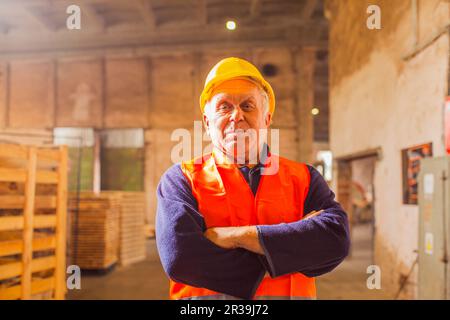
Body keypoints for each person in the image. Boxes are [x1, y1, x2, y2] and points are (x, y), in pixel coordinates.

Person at [156, 57, 350, 300]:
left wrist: (237, 237)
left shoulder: (304, 178)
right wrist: (291, 253)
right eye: (224, 106)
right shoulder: (181, 179)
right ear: (207, 122)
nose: (236, 115)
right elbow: (181, 258)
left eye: (248, 105)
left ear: (267, 119)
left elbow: (335, 241)